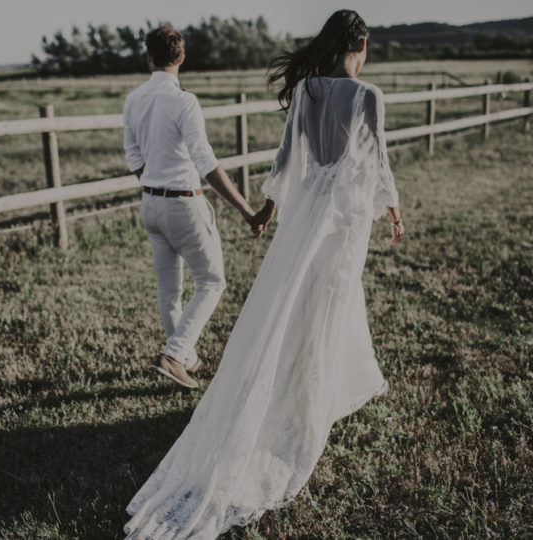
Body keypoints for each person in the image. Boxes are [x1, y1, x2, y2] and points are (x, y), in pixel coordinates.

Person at [124, 10, 404, 538]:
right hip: (340, 219)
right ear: (361, 43)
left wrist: (271, 209)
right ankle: (306, 404)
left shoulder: (306, 92)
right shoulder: (367, 96)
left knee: (296, 304)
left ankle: (308, 387)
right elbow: (377, 160)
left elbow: (285, 157)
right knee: (328, 302)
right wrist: (391, 209)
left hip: (305, 217)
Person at [123, 25, 266, 389]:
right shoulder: (184, 101)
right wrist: (246, 210)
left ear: (148, 57)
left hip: (150, 204)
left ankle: (183, 356)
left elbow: (134, 158)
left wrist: (155, 178)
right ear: (181, 58)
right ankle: (175, 354)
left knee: (168, 293)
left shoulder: (133, 99)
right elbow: (206, 163)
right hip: (183, 204)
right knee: (212, 281)